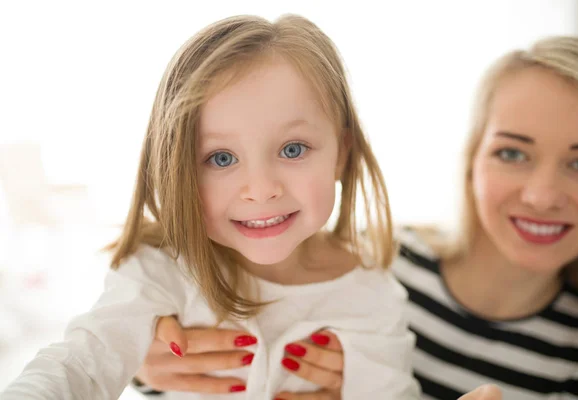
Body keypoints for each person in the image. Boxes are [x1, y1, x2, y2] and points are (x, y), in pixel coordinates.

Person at [140, 35, 578, 400]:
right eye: (512, 152)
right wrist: (150, 358)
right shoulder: (357, 260)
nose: (542, 196)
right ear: (471, 158)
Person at [0, 14, 421, 400]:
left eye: (293, 149)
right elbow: (83, 361)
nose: (261, 189)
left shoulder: (371, 292)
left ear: (342, 154)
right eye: (221, 158)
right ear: (176, 168)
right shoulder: (160, 270)